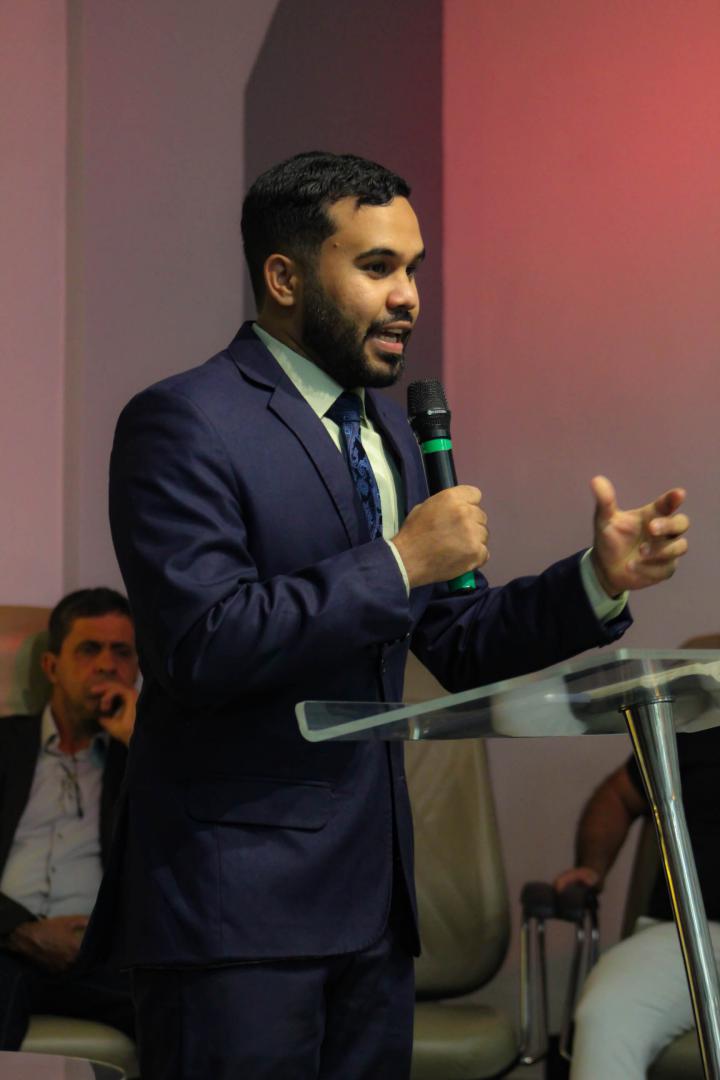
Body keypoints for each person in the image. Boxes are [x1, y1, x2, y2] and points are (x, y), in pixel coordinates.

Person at [89, 150, 689, 1079]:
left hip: (373, 906)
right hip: (235, 912)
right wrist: (403, 558)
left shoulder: (386, 437)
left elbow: (453, 640)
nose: (408, 296)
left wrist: (595, 582)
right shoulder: (185, 420)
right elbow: (202, 645)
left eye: (413, 268)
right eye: (377, 267)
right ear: (284, 277)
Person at [0, 588, 138, 1050]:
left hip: (101, 959)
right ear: (51, 666)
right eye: (89, 649)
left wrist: (140, 746)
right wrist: (21, 931)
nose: (107, 665)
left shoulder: (143, 760)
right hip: (5, 947)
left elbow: (185, 856)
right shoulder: (5, 745)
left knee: (182, 1009)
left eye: (122, 652)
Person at [554, 708, 720, 1080]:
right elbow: (618, 795)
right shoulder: (703, 725)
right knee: (607, 1012)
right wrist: (592, 867)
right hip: (687, 932)